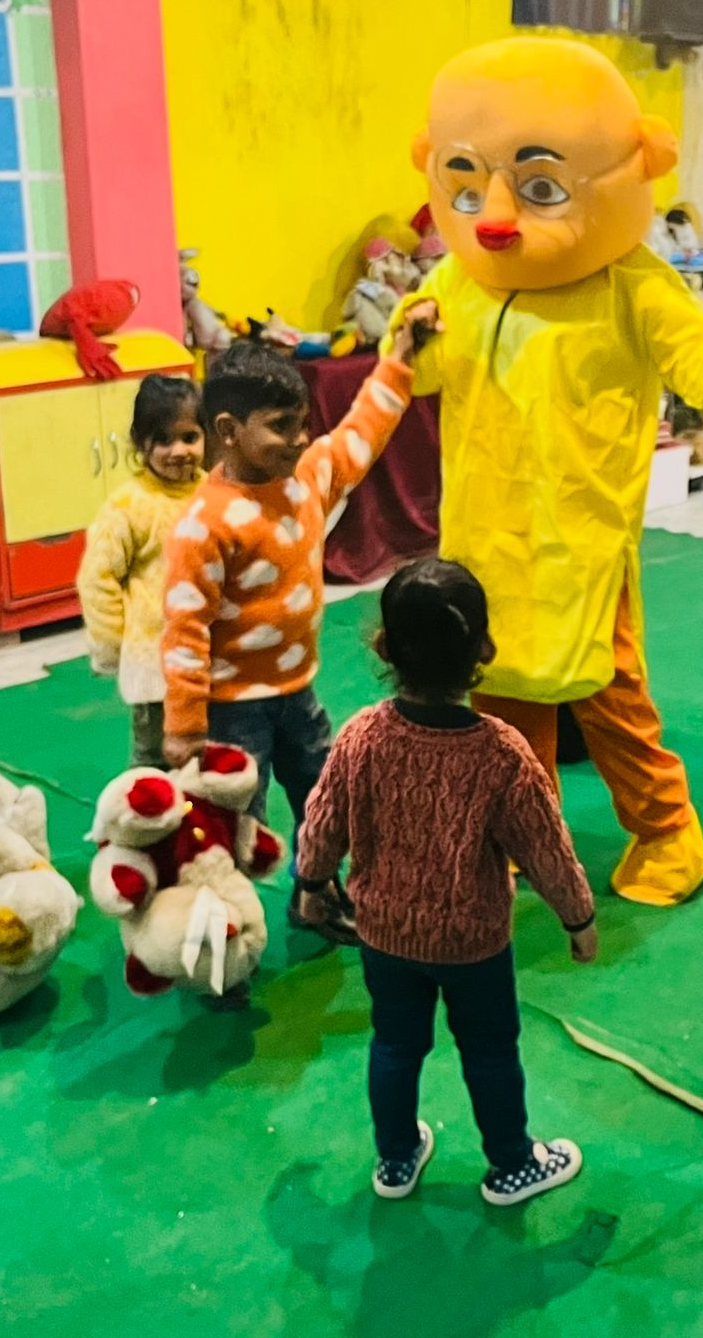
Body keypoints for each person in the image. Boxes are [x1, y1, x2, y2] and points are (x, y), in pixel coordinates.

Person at [387, 37, 703, 908]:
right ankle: (517, 831)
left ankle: (667, 830)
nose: (496, 219)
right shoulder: (461, 281)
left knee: (609, 695)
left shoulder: (630, 285)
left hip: (583, 544)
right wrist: (407, 337)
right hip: (484, 537)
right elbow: (423, 373)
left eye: (539, 190)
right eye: (468, 190)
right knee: (500, 694)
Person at [297, 558, 598, 1205]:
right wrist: (578, 917)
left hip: (384, 935)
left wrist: (312, 885)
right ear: (484, 649)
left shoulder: (360, 738)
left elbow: (322, 822)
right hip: (474, 944)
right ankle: (512, 1164)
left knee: (394, 1045)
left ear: (385, 647)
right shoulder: (502, 753)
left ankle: (396, 1159)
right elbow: (546, 848)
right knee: (490, 1051)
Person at [160, 303, 437, 926]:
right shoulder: (204, 524)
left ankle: (314, 894)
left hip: (297, 692)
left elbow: (363, 430)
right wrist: (183, 725)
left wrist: (399, 360)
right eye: (282, 427)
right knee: (235, 819)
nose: (300, 439)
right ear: (228, 430)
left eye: (303, 424)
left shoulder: (306, 478)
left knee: (325, 798)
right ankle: (225, 922)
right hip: (231, 708)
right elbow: (184, 631)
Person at [77, 375, 205, 766]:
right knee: (155, 766)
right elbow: (98, 578)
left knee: (212, 763)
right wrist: (112, 647)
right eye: (163, 440)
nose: (178, 451)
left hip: (212, 662)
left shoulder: (216, 494)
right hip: (155, 669)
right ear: (139, 443)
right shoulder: (128, 506)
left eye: (189, 437)